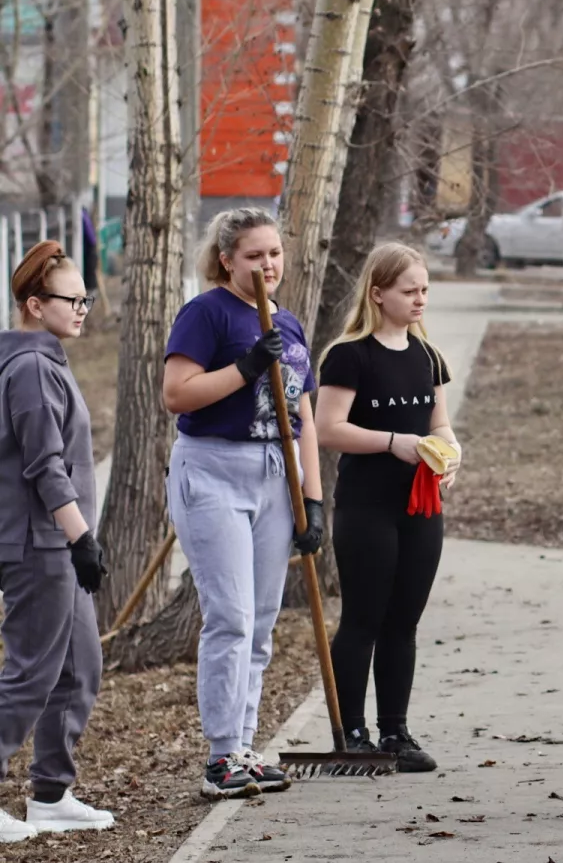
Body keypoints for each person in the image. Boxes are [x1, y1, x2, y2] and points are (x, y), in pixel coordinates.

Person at [163, 207, 326, 800]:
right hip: (212, 471)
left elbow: (303, 413)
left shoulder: (289, 322)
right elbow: (176, 394)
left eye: (275, 253)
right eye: (255, 256)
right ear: (227, 259)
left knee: (259, 623)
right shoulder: (206, 313)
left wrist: (312, 497)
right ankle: (218, 757)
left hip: (274, 477)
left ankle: (244, 746)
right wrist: (245, 366)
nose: (268, 265)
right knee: (230, 617)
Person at [315, 243, 462, 774]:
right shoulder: (349, 355)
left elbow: (439, 423)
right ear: (378, 294)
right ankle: (350, 732)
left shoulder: (428, 356)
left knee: (404, 619)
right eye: (409, 290)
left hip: (421, 506)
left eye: (424, 289)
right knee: (364, 617)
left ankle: (394, 730)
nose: (420, 298)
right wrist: (393, 441)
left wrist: (450, 451)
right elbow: (329, 428)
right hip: (365, 507)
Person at [0, 242, 113, 841]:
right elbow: (45, 466)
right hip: (37, 543)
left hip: (56, 543)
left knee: (78, 666)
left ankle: (50, 794)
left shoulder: (48, 360)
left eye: (85, 299)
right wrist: (82, 539)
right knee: (31, 673)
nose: (83, 309)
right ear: (34, 304)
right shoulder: (30, 369)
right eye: (73, 300)